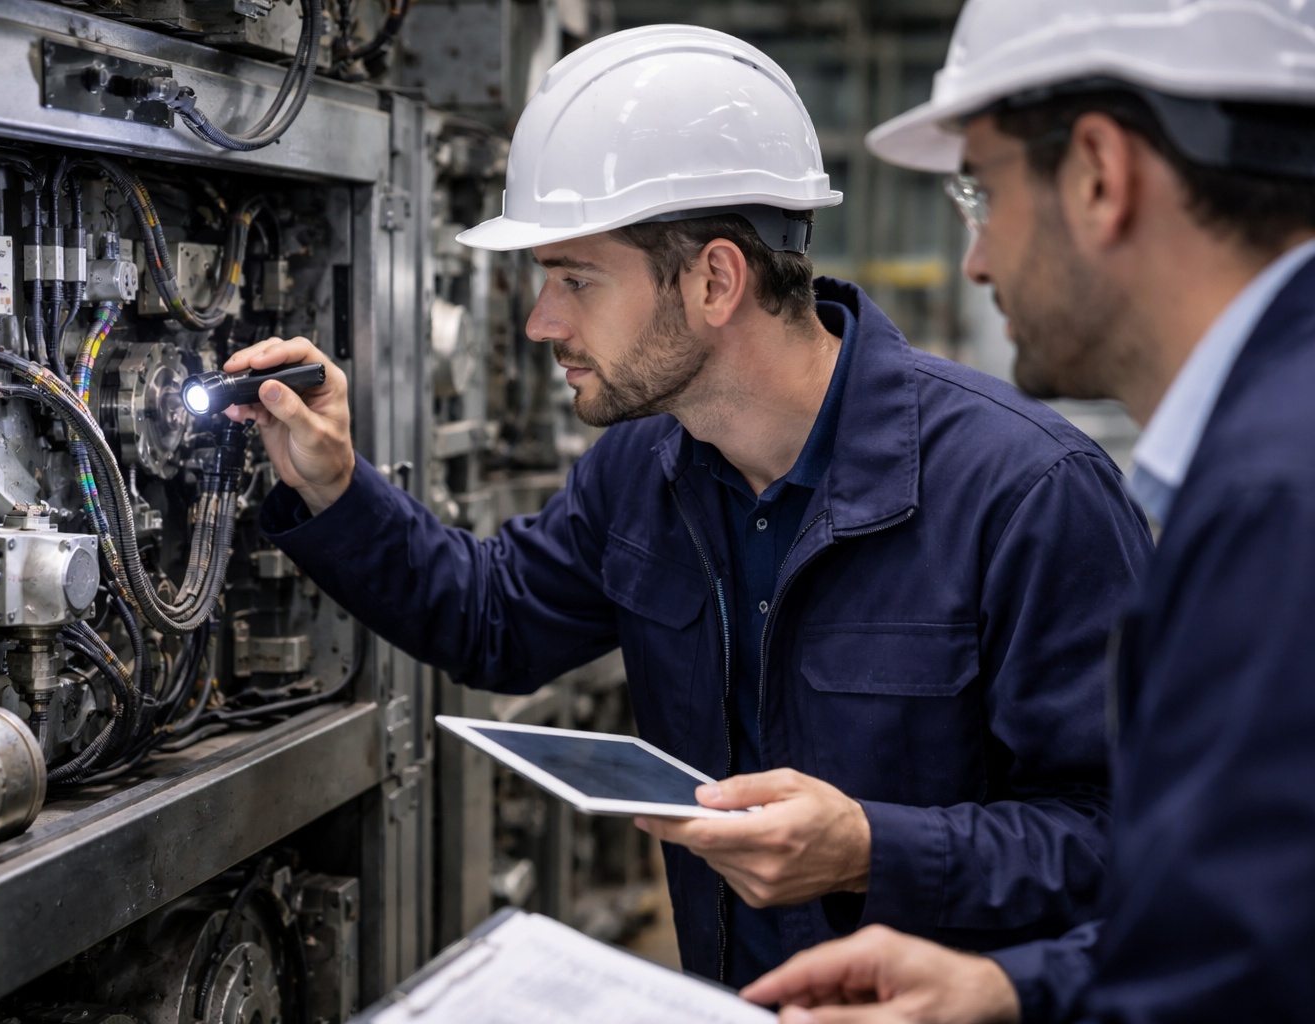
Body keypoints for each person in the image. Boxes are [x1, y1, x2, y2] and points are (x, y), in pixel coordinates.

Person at [227, 25, 1152, 988]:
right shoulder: (645, 467)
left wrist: (877, 847)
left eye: (575, 279)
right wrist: (332, 482)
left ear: (716, 279)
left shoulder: (1029, 494)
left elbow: (1128, 840)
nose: (544, 322)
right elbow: (491, 620)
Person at [740, 1, 1315, 1020]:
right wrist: (1014, 986)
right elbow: (1251, 932)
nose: (977, 260)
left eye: (982, 190)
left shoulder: (1278, 499)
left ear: (1099, 173)